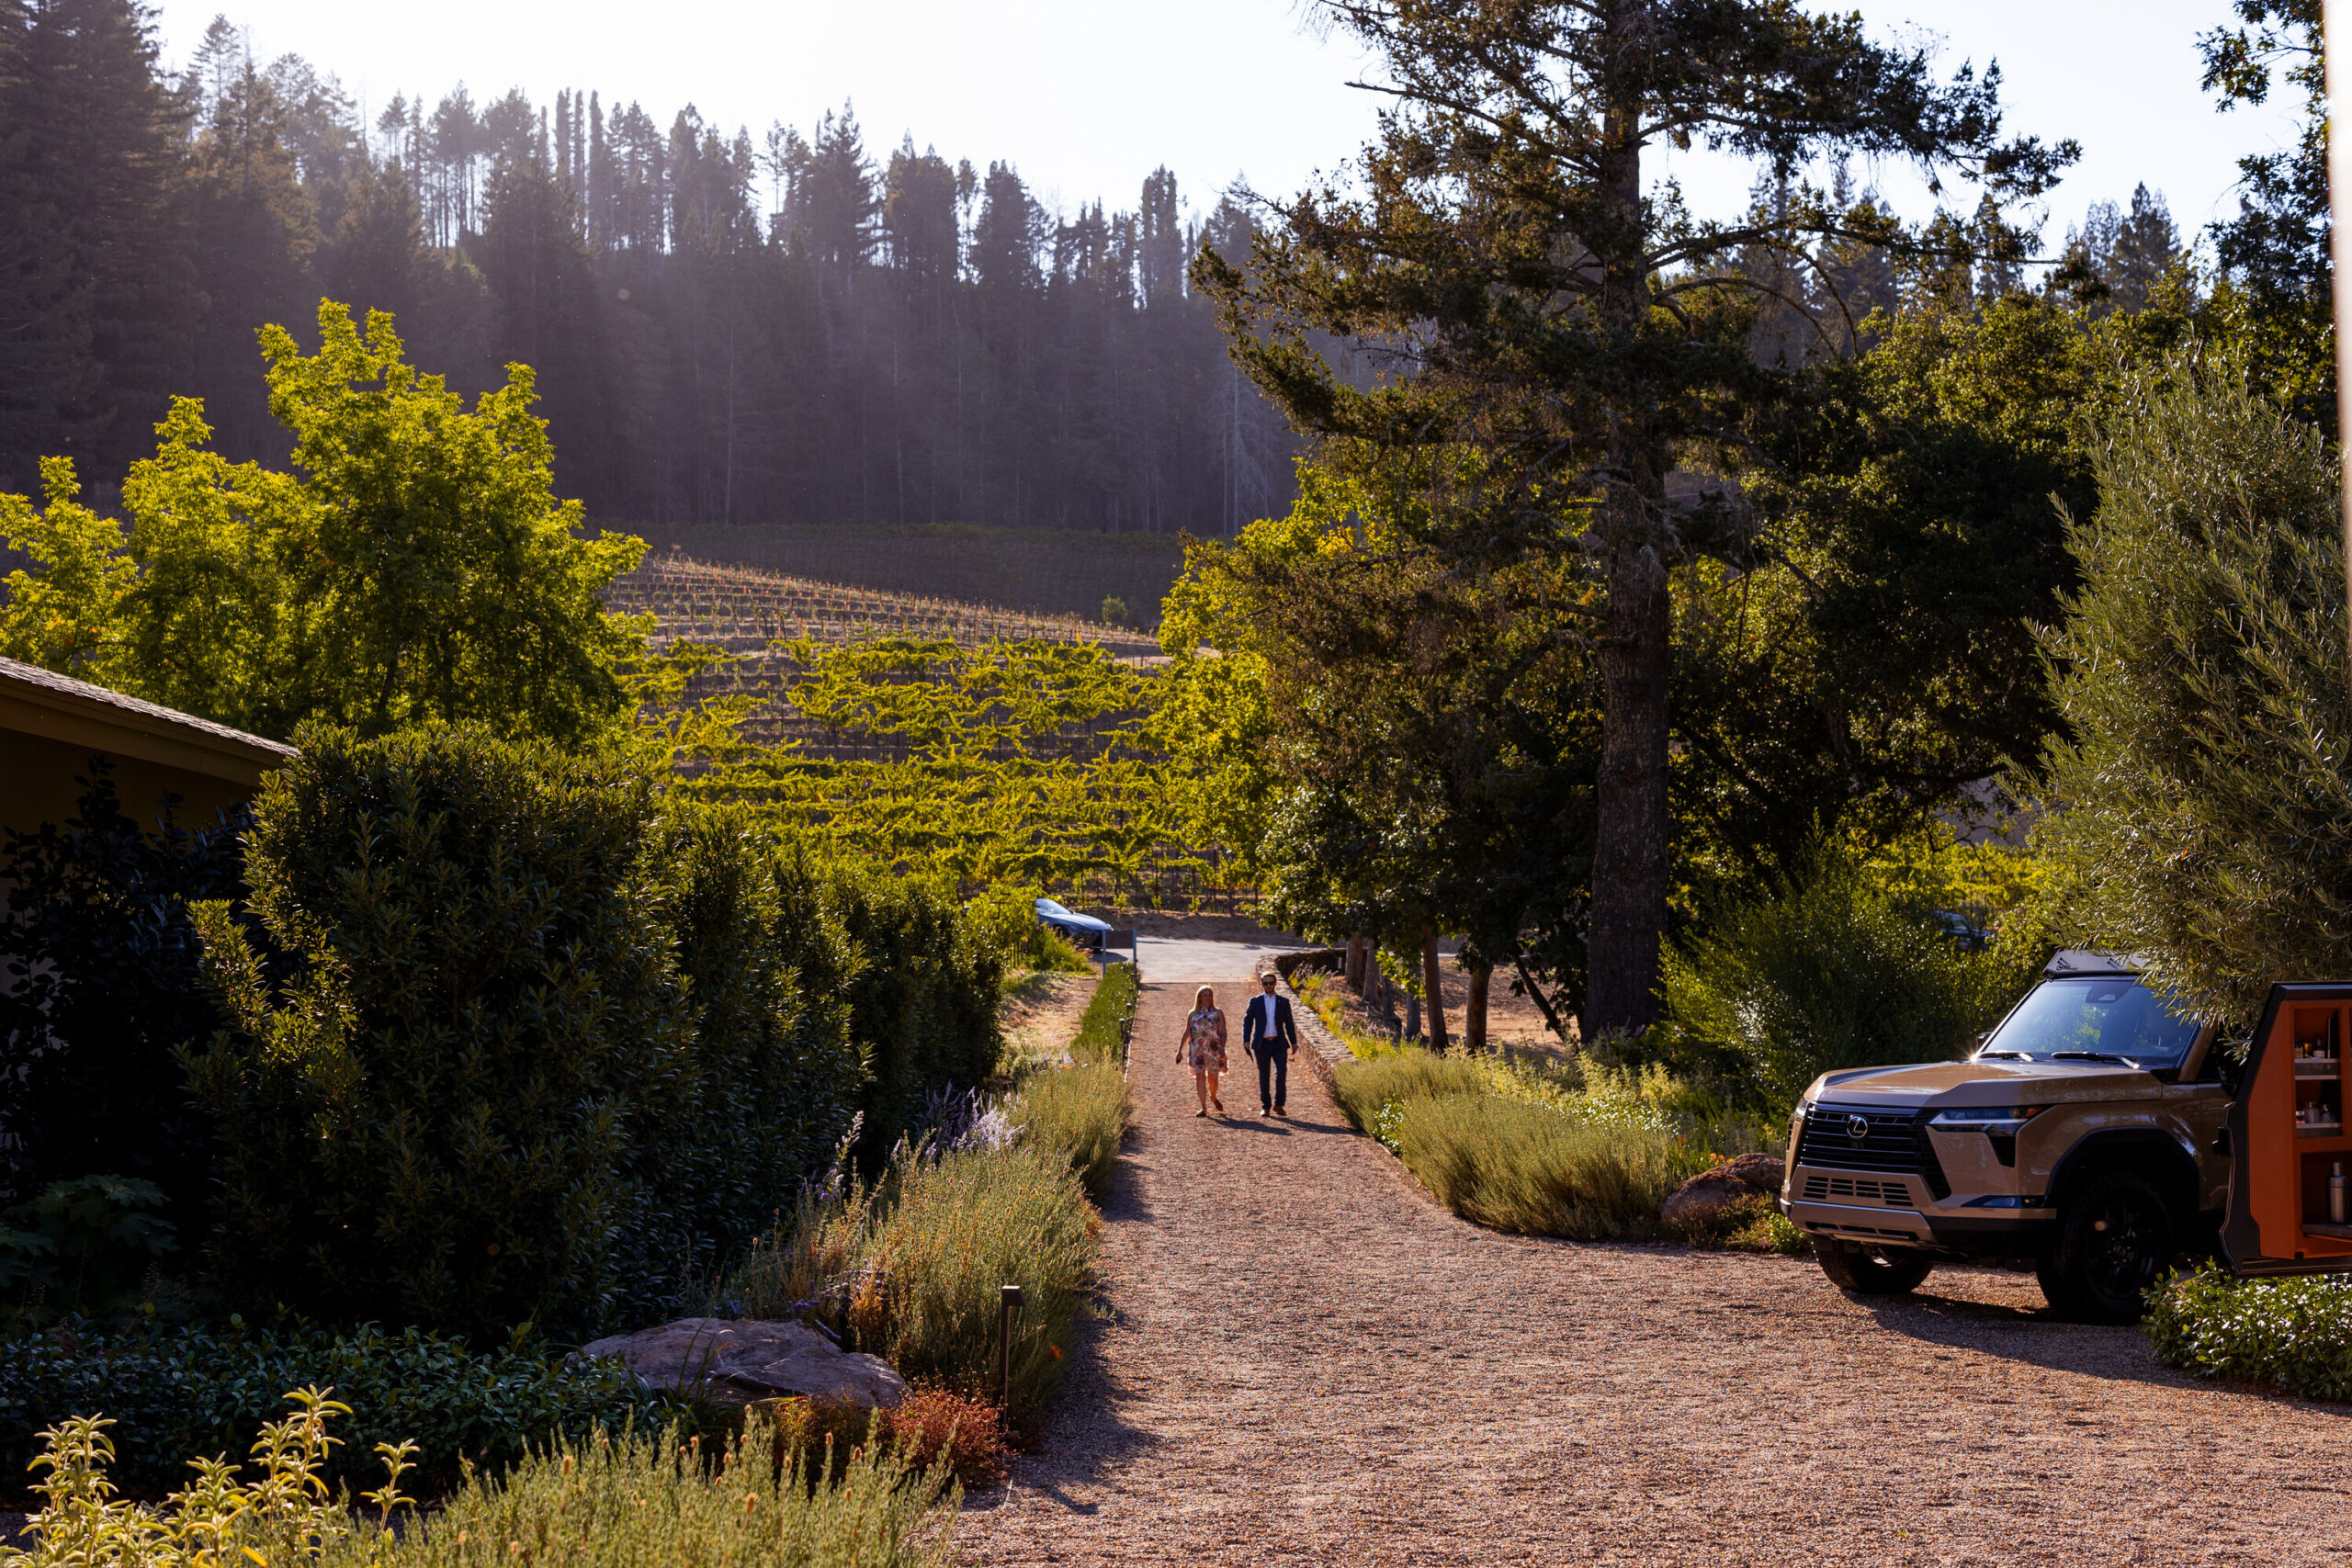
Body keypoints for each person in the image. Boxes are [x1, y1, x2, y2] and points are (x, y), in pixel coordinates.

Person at [1241, 970, 1299, 1116]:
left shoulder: (1283, 1002)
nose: (1268, 986)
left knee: (1281, 1072)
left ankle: (1279, 1104)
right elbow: (1247, 1022)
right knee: (1264, 1075)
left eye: (1271, 983)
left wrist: (1293, 1042)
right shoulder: (1255, 1001)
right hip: (1262, 1044)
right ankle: (1266, 1106)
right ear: (1262, 984)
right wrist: (1246, 1040)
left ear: (1275, 984)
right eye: (1265, 983)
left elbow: (1289, 1024)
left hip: (1279, 1043)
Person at [1176, 984, 1227, 1117]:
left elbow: (1223, 1031)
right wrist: (1179, 1050)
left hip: (1214, 1050)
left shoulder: (1218, 1013)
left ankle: (1213, 1096)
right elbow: (1187, 1032)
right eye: (1204, 995)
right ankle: (1203, 1108)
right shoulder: (1192, 1014)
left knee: (1213, 1079)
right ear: (1199, 998)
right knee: (1200, 1078)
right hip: (1197, 1051)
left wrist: (1222, 1046)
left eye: (1209, 995)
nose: (1207, 998)